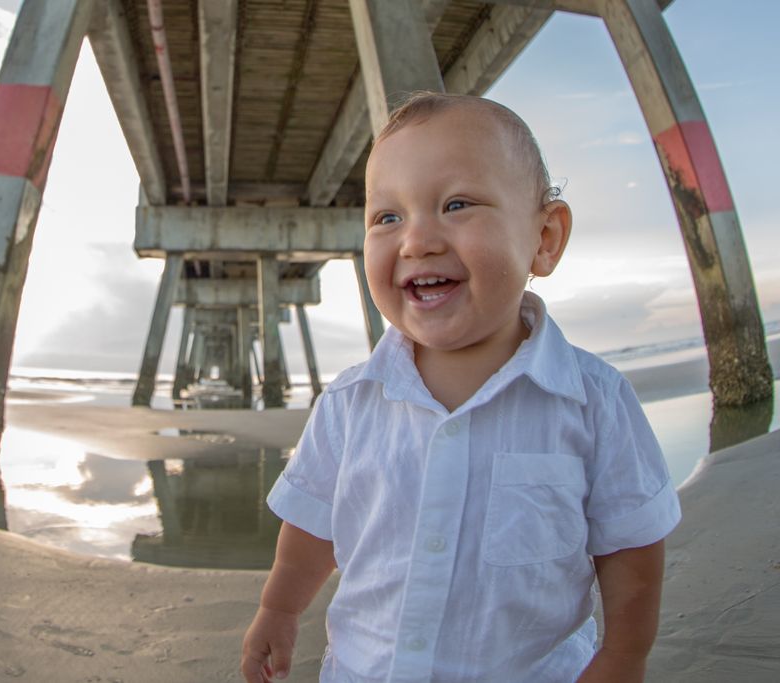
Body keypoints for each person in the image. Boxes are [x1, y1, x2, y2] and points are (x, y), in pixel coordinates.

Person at [239, 92, 681, 683]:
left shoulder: (593, 404)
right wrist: (279, 609)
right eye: (387, 217)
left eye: (456, 204)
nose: (417, 240)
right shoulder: (349, 405)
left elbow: (629, 547)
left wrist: (623, 657)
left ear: (544, 238)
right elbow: (313, 527)